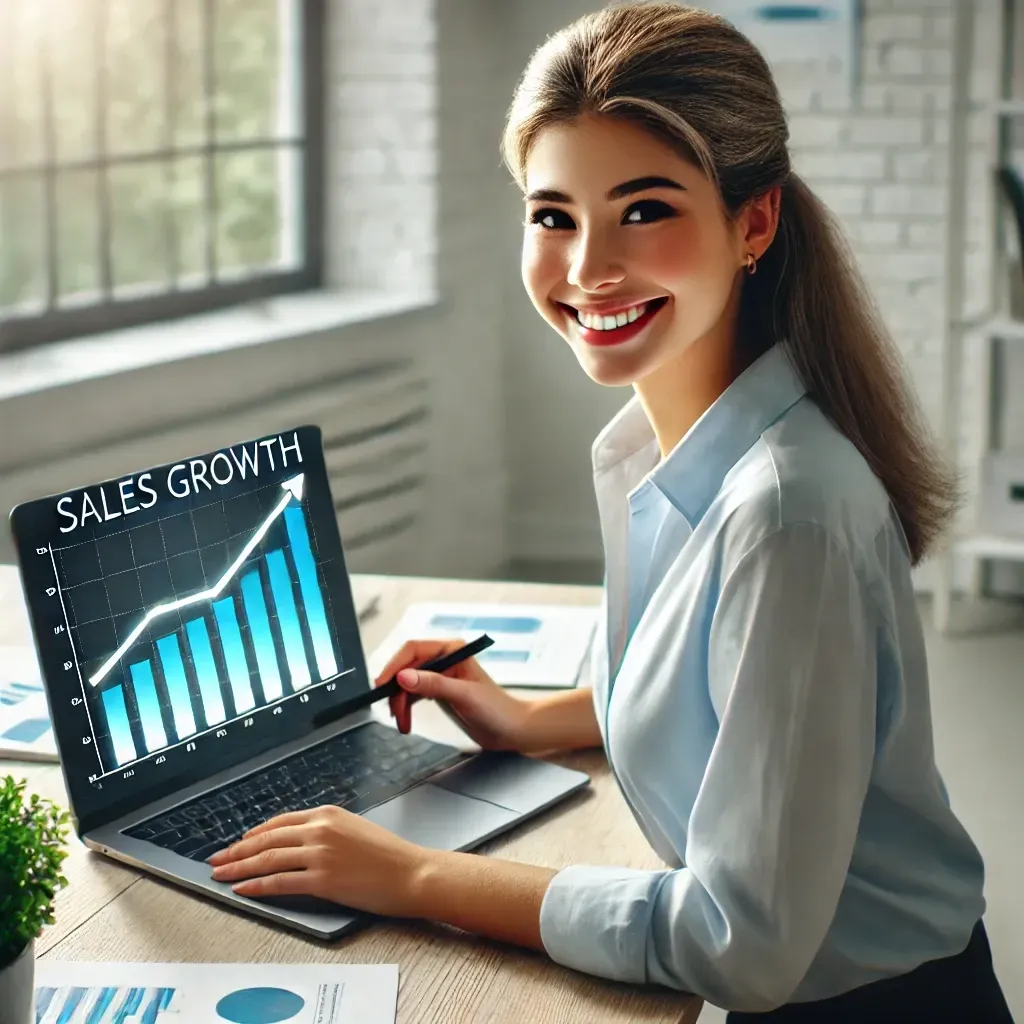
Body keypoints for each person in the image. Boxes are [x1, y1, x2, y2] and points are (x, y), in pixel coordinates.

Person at [207, 4, 1015, 1020]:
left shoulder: (787, 514)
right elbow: (738, 689)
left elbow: (744, 943)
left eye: (643, 210)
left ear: (752, 222)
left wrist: (411, 876)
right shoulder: (658, 445)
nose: (588, 266)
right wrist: (535, 719)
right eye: (553, 216)